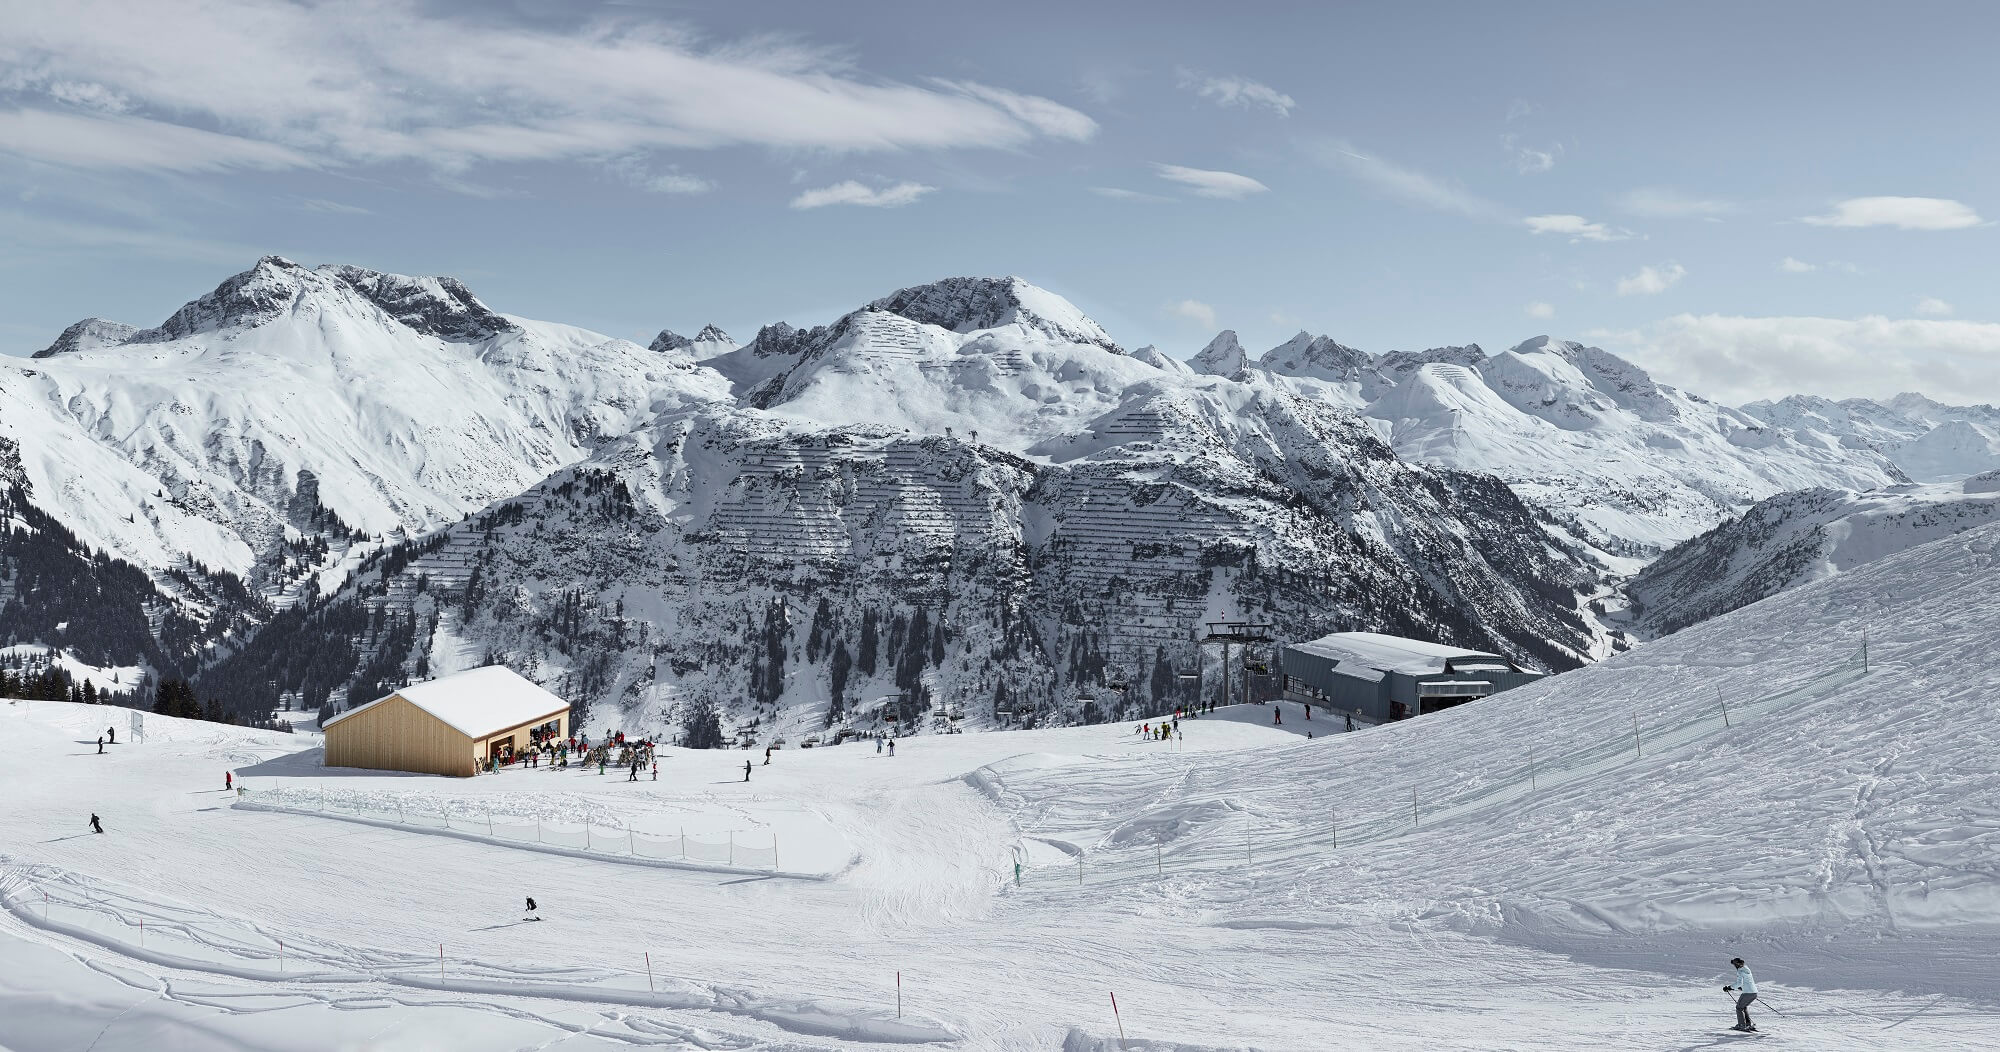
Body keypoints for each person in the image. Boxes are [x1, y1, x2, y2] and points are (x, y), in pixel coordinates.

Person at [1723, 957, 1758, 1032]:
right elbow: (1747, 981)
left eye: (1735, 964)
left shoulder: (1740, 971)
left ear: (1738, 964)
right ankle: (1747, 1024)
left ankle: (1742, 1025)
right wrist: (1742, 987)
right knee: (1743, 1007)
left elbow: (1739, 983)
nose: (1735, 966)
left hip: (1748, 993)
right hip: (1752, 992)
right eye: (1734, 964)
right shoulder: (1746, 969)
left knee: (1739, 1008)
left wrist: (1729, 987)